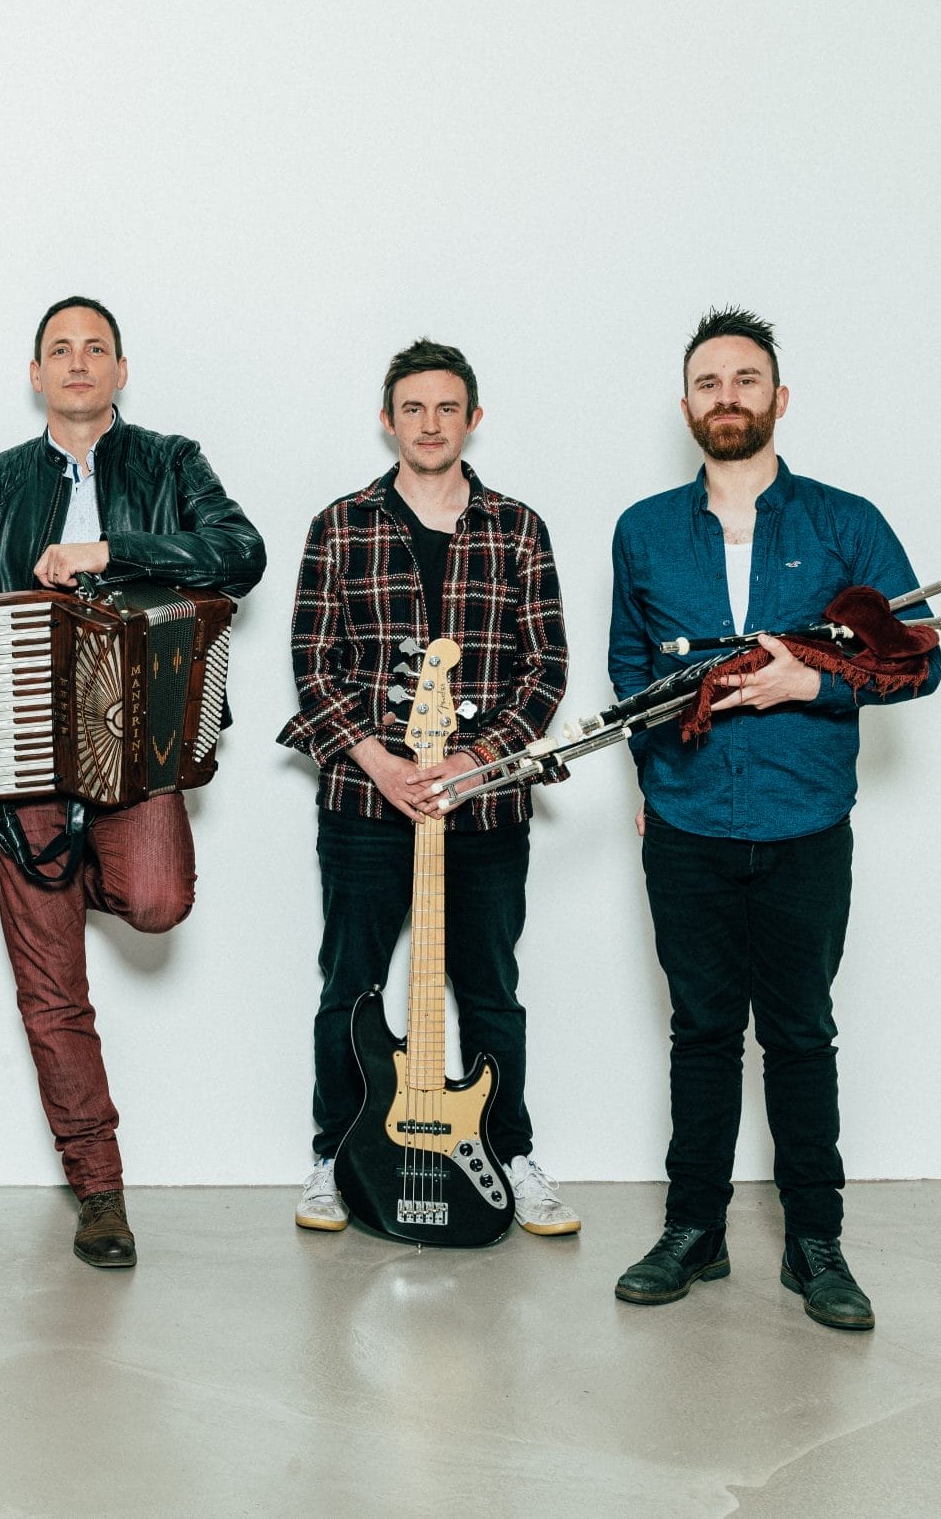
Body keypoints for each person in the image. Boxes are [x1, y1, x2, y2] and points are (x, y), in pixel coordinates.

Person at [608, 307, 941, 1332]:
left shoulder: (844, 522)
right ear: (685, 406)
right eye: (708, 383)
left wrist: (811, 684)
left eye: (745, 380)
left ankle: (815, 1246)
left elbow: (917, 656)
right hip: (688, 828)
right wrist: (650, 785)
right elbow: (631, 677)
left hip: (803, 827)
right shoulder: (644, 530)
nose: (726, 397)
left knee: (799, 1034)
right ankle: (692, 1233)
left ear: (777, 398)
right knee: (701, 1032)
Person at [0, 296, 264, 1268]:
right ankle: (99, 1193)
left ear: (121, 371)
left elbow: (240, 555)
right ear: (34, 376)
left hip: (138, 750)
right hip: (20, 752)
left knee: (159, 900)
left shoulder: (171, 463)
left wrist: (112, 552)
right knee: (53, 995)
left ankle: (59, 878)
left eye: (95, 349)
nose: (76, 363)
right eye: (57, 351)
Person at [278, 339, 579, 1239]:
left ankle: (510, 1152)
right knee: (352, 984)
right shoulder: (340, 525)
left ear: (473, 418)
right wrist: (382, 761)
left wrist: (470, 760)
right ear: (388, 418)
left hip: (483, 806)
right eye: (413, 408)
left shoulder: (519, 527)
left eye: (448, 407)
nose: (430, 423)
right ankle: (334, 1156)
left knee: (489, 987)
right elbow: (312, 664)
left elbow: (547, 668)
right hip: (366, 805)